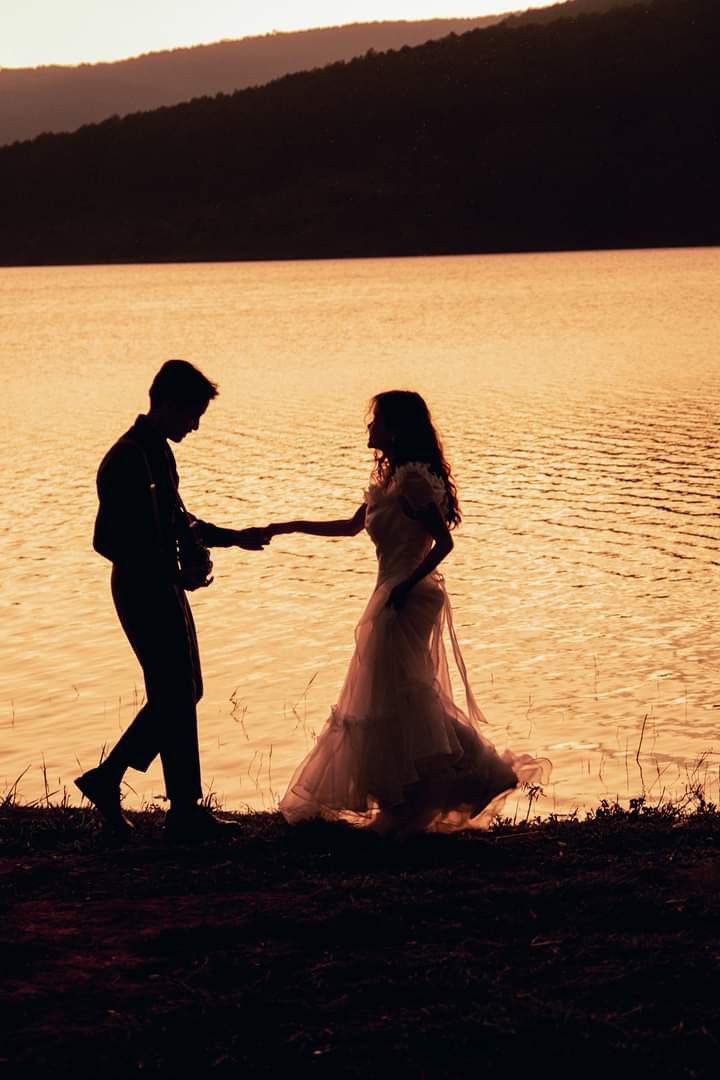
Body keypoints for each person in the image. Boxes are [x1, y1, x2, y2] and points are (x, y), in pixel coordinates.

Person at [271, 390, 550, 836]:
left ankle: (429, 791)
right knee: (396, 694)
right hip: (392, 591)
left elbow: (444, 543)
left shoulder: (414, 482)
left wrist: (402, 586)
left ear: (396, 428)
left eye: (377, 420)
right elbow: (348, 526)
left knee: (400, 694)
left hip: (407, 595)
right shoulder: (393, 480)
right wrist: (285, 526)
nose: (369, 427)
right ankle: (420, 790)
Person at [76, 359, 269, 841]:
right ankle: (172, 805)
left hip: (163, 587)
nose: (196, 424)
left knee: (186, 691)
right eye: (192, 413)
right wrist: (171, 569)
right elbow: (107, 540)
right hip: (142, 590)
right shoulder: (126, 458)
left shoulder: (157, 451)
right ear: (165, 403)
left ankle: (150, 794)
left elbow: (178, 520)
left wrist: (232, 538)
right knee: (176, 693)